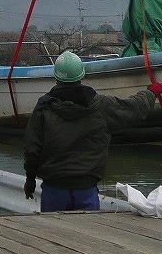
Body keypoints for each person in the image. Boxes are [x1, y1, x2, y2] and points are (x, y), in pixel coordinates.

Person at [23, 50, 151, 212]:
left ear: (56, 77)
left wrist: (30, 179)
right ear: (81, 76)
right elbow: (133, 109)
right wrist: (151, 92)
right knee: (88, 234)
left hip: (54, 190)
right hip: (86, 190)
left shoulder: (43, 108)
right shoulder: (101, 106)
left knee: (55, 233)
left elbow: (32, 148)